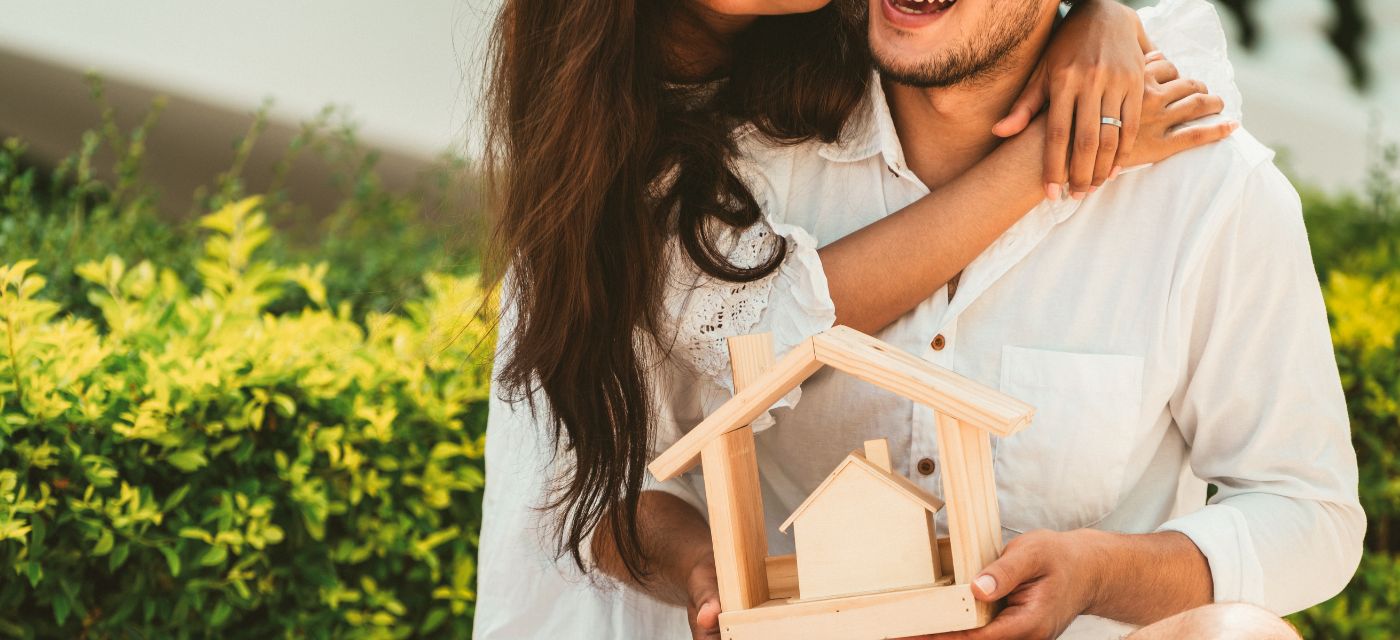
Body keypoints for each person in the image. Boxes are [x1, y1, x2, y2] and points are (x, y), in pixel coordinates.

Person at [594, 0, 1365, 638]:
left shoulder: (1208, 193)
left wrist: (1096, 572)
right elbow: (619, 484)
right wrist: (706, 570)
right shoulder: (736, 172)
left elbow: (1310, 511)